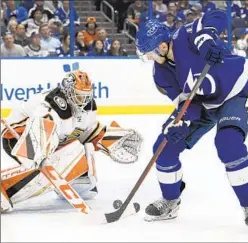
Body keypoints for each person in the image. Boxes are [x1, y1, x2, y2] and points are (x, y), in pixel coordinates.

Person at [135, 10, 248, 232]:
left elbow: (219, 15)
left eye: (149, 53)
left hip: (236, 91)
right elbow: (187, 105)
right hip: (203, 104)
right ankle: (170, 201)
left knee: (228, 143)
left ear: (162, 46)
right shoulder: (161, 74)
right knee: (163, 147)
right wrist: (180, 124)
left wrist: (206, 38)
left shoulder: (185, 36)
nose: (149, 59)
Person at [1, 70, 142, 213]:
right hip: (17, 138)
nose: (83, 100)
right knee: (50, 160)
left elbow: (88, 134)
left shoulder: (88, 106)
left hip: (54, 141)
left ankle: (77, 184)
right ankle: (6, 188)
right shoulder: (52, 104)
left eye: (86, 96)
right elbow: (41, 129)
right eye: (79, 95)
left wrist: (112, 140)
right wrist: (39, 151)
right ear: (67, 92)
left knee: (84, 152)